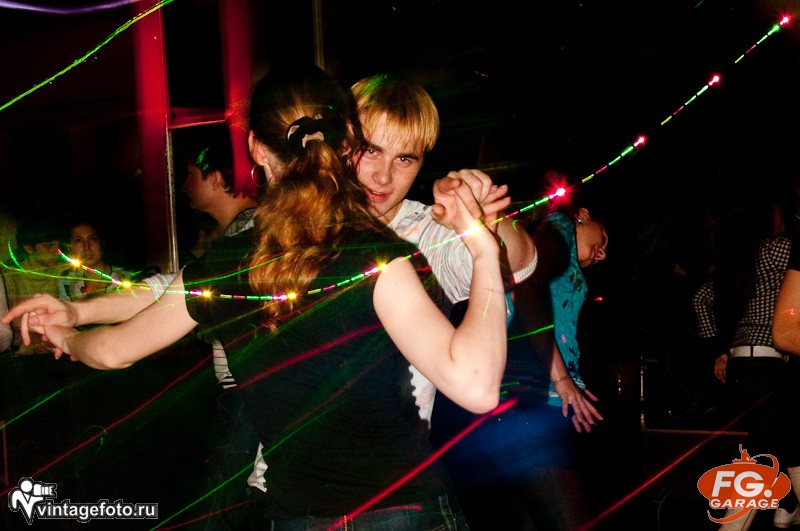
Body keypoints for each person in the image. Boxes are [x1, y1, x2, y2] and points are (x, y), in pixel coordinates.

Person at [5, 64, 509, 530]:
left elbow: (112, 350)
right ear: (345, 145)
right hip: (402, 510)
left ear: (256, 148)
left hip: (299, 517)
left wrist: (67, 332)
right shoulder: (373, 255)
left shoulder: (229, 264)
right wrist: (483, 248)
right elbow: (476, 386)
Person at [430, 201, 608, 530]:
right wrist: (562, 380)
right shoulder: (560, 229)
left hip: (520, 405)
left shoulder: (559, 250)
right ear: (583, 215)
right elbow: (525, 292)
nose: (603, 253)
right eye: (604, 239)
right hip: (527, 403)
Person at [696, 194, 797, 530]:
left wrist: (717, 349)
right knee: (764, 449)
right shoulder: (781, 248)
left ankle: (788, 507)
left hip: (743, 357)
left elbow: (701, 299)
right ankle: (737, 524)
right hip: (768, 359)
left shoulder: (744, 255)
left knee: (783, 437)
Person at [3, 215, 67, 354]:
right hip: (22, 351)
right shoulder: (10, 279)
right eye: (49, 246)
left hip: (60, 344)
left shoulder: (64, 272)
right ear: (28, 248)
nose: (57, 252)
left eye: (58, 246)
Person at [57, 218, 133, 301]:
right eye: (78, 240)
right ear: (70, 248)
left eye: (93, 239)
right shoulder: (67, 279)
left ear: (102, 243)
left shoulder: (126, 277)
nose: (87, 247)